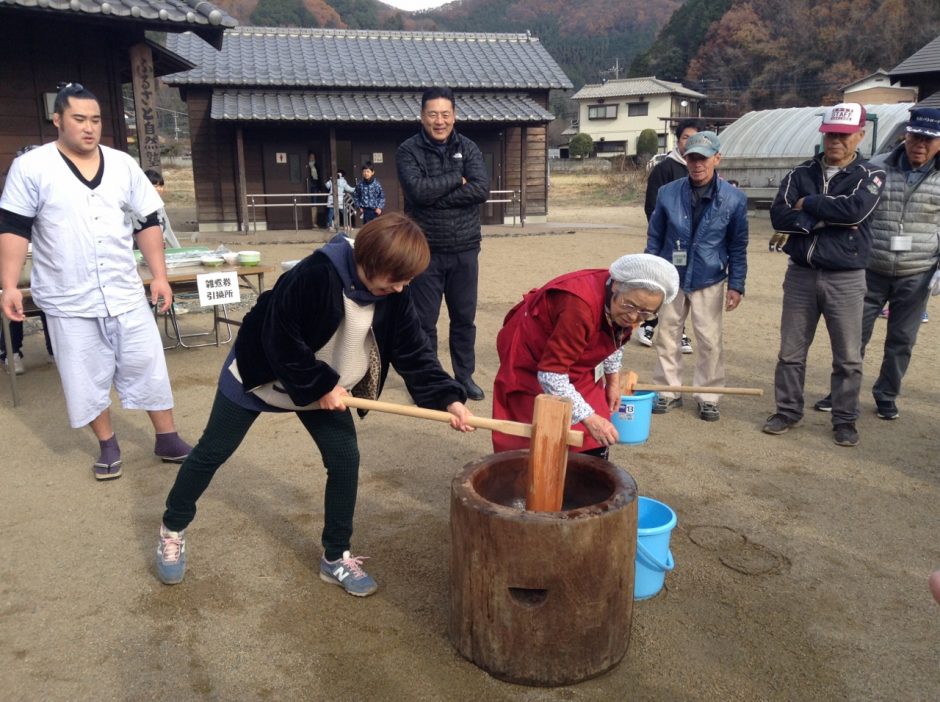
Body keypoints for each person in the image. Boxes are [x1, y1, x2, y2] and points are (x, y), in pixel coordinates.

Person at [154, 213, 474, 593]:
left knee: (344, 458)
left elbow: (414, 353)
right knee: (212, 451)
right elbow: (281, 339)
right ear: (370, 263)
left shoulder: (395, 294)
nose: (404, 288)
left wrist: (448, 398)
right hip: (264, 374)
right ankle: (172, 527)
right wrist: (319, 384)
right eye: (397, 279)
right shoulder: (314, 275)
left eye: (408, 280)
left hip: (325, 387)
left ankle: (335, 556)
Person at [0, 82, 192, 480]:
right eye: (79, 119)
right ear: (58, 120)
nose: (89, 128)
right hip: (68, 295)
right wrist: (9, 286)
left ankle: (167, 435)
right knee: (83, 373)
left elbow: (147, 221)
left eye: (96, 120)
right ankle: (107, 445)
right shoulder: (32, 167)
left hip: (123, 288)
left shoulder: (122, 164)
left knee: (148, 363)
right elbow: (14, 227)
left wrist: (160, 276)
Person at [762, 103, 886, 446]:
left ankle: (845, 419)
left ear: (860, 135)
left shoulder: (871, 175)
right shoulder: (799, 173)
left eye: (844, 135)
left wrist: (807, 204)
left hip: (846, 276)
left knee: (848, 355)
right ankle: (787, 410)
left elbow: (854, 211)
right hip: (801, 273)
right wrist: (821, 218)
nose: (836, 141)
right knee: (790, 351)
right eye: (831, 133)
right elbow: (779, 217)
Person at [812, 108, 940, 421]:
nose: (919, 144)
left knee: (902, 340)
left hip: (917, 270)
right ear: (904, 135)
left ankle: (886, 394)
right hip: (870, 266)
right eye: (915, 136)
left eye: (928, 139)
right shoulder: (877, 168)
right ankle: (841, 393)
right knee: (853, 336)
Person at [493, 254, 679, 459]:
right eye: (629, 306)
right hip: (535, 355)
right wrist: (588, 418)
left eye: (646, 313)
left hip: (578, 360)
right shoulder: (580, 305)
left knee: (593, 431)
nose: (634, 317)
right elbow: (551, 373)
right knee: (535, 437)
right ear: (616, 285)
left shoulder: (630, 303)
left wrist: (613, 381)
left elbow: (615, 338)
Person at [646, 131, 749, 422]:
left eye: (703, 158)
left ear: (717, 158)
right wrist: (651, 276)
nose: (697, 164)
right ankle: (667, 391)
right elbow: (655, 237)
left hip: (710, 277)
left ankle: (708, 396)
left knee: (709, 339)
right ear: (685, 159)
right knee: (666, 335)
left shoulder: (734, 199)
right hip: (671, 276)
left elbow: (737, 246)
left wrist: (736, 284)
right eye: (692, 158)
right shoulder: (667, 193)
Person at [397, 86, 490, 401]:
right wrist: (455, 179)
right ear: (422, 116)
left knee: (464, 319)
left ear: (454, 115)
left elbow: (480, 189)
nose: (439, 121)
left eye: (445, 114)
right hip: (425, 251)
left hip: (465, 248)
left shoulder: (469, 147)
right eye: (433, 114)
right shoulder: (408, 151)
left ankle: (465, 377)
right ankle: (431, 382)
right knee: (425, 322)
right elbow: (417, 193)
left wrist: (435, 194)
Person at [639, 119, 706, 353]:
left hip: (695, 245)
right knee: (665, 286)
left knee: (686, 288)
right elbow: (652, 206)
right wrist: (663, 236)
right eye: (685, 137)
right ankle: (648, 323)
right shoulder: (665, 168)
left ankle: (680, 331)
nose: (689, 143)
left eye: (694, 138)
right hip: (670, 242)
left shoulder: (702, 168)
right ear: (677, 140)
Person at [143, 169, 181, 248]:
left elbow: (167, 229)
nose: (160, 189)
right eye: (156, 186)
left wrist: (178, 249)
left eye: (161, 186)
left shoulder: (159, 206)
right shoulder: (138, 207)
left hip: (160, 248)